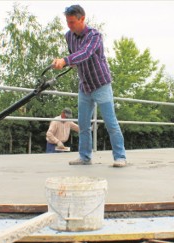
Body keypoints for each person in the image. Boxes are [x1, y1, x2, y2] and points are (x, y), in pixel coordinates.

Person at [51, 4, 128, 167]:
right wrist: (64, 63)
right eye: (67, 22)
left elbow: (85, 53)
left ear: (82, 19)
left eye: (72, 22)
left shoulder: (95, 35)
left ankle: (120, 157)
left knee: (110, 123)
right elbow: (74, 56)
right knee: (83, 125)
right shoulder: (68, 36)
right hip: (84, 86)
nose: (70, 26)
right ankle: (85, 157)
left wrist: (66, 60)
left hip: (101, 85)